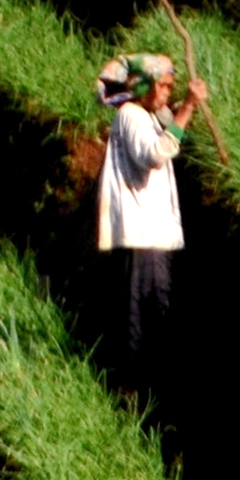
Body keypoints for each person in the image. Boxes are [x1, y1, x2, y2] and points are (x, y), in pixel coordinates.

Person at [95, 48, 206, 372]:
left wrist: (184, 109)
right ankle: (133, 390)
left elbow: (173, 130)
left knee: (154, 313)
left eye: (172, 87)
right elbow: (154, 154)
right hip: (142, 236)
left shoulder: (149, 117)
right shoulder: (130, 114)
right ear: (145, 85)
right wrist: (188, 105)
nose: (169, 93)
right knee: (142, 319)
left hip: (152, 236)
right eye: (165, 86)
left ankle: (143, 385)